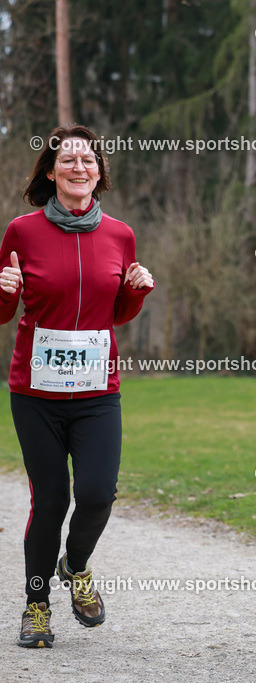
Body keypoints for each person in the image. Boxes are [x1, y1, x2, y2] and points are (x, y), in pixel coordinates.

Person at [1, 125, 155, 648]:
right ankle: (37, 605)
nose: (78, 166)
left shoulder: (120, 234)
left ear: (99, 172)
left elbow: (117, 314)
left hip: (96, 391)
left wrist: (136, 293)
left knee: (96, 495)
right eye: (67, 159)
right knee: (50, 500)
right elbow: (3, 313)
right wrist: (5, 291)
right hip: (35, 392)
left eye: (88, 159)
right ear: (50, 171)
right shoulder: (21, 231)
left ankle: (77, 565)